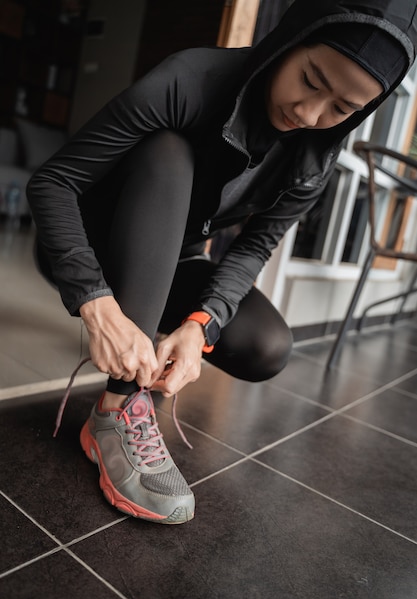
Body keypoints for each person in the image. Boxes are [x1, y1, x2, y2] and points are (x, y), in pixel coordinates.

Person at [27, 0, 417, 524]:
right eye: (309, 78)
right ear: (289, 40)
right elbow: (54, 183)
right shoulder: (189, 79)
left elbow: (253, 248)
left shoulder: (311, 162)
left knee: (266, 346)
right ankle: (115, 412)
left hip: (175, 260)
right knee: (170, 151)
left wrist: (199, 324)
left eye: (340, 109)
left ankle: (147, 347)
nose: (307, 113)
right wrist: (96, 302)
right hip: (87, 243)